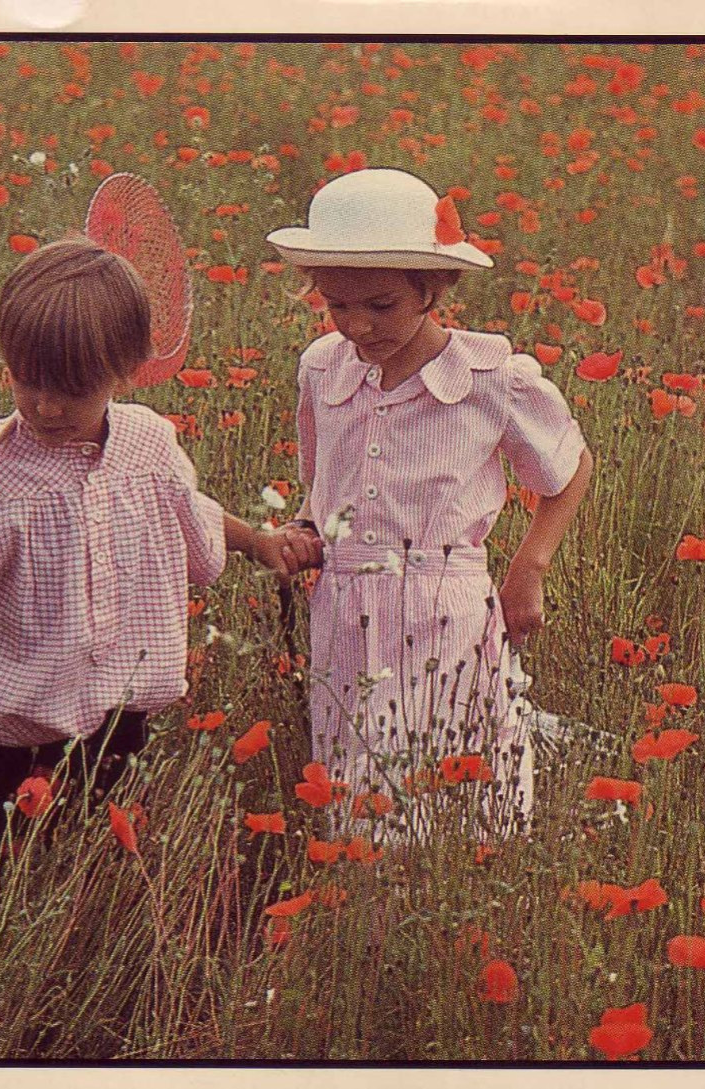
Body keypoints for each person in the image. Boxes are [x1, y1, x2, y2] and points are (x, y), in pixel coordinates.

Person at [0, 237, 301, 970]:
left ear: (125, 369)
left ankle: (62, 983)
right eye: (28, 380)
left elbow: (187, 511)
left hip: (116, 719)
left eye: (71, 386)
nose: (44, 404)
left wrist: (259, 542)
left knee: (84, 873)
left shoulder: (150, 445)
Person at [263, 168, 593, 842]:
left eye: (381, 305)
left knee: (460, 788)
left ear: (435, 288)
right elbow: (323, 492)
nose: (358, 325)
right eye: (338, 306)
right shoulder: (322, 368)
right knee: (358, 796)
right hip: (344, 618)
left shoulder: (488, 378)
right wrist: (305, 530)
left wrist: (531, 565)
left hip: (447, 615)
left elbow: (571, 466)